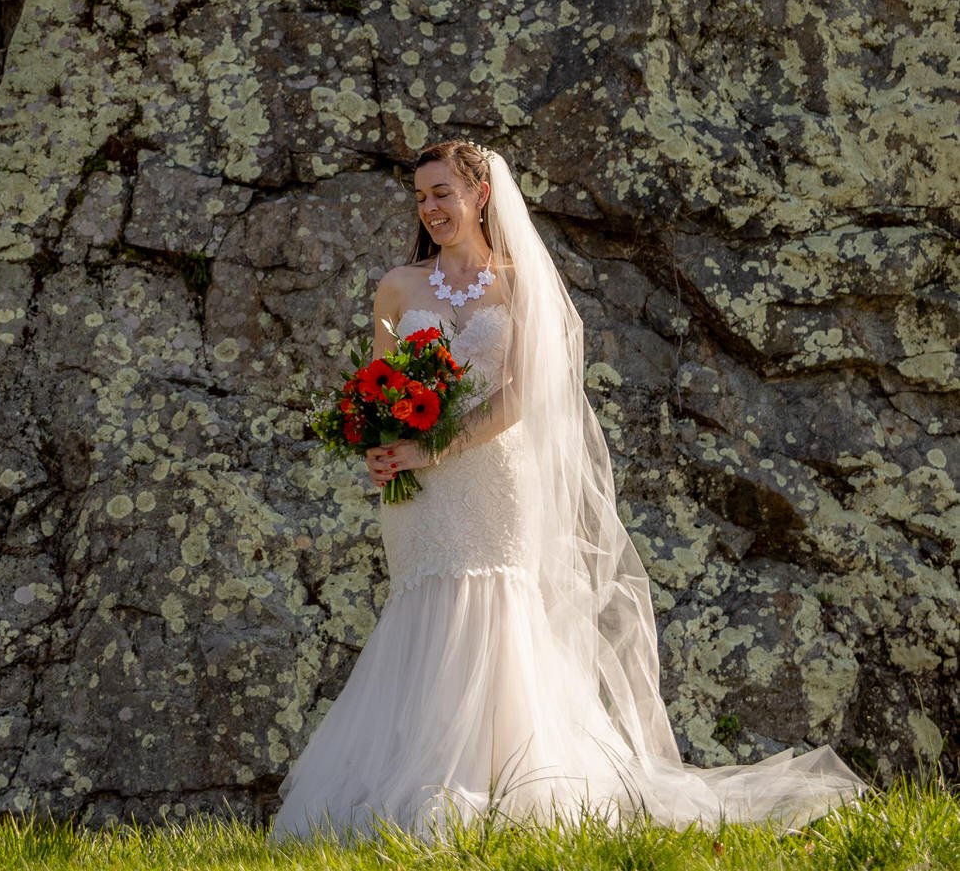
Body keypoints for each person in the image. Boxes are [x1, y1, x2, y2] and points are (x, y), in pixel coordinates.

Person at [269, 140, 866, 839]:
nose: (429, 208)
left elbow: (526, 392)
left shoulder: (519, 282)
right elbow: (378, 389)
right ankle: (420, 782)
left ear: (480, 195)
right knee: (425, 614)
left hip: (495, 480)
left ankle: (510, 786)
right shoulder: (398, 287)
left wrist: (435, 448)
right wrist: (379, 451)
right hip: (418, 496)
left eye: (442, 193)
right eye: (420, 197)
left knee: (498, 613)